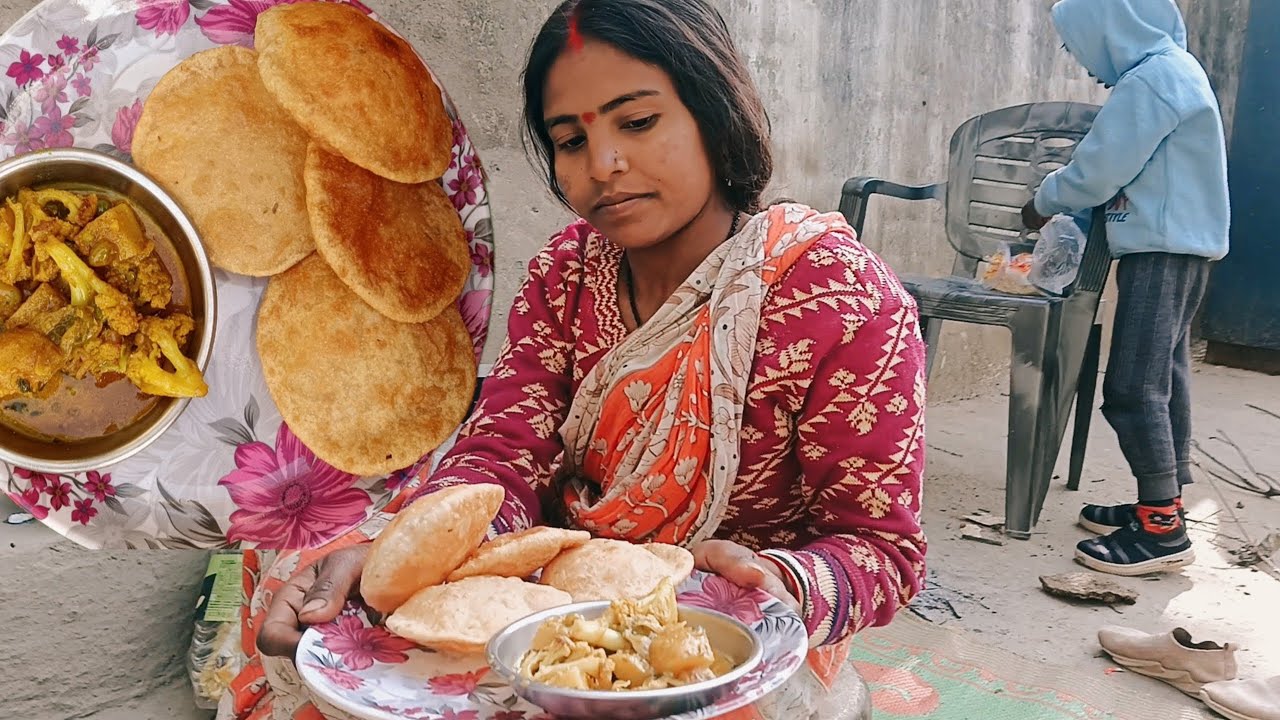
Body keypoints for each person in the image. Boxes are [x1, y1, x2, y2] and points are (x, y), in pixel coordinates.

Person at [221, 1, 928, 718]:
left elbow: (882, 549)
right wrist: (413, 559)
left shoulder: (841, 299)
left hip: (729, 631)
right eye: (568, 139)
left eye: (638, 121)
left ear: (714, 113)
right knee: (310, 576)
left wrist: (781, 583)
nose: (603, 166)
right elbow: (505, 455)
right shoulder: (568, 273)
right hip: (556, 600)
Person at [1021, 0, 1229, 576]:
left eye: (1078, 43)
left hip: (1163, 250)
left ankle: (1162, 528)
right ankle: (1161, 504)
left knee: (1134, 386)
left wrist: (1043, 201)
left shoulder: (1153, 79)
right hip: (1176, 246)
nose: (1079, 60)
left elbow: (1099, 167)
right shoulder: (1170, 69)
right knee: (1165, 376)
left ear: (1108, 26)